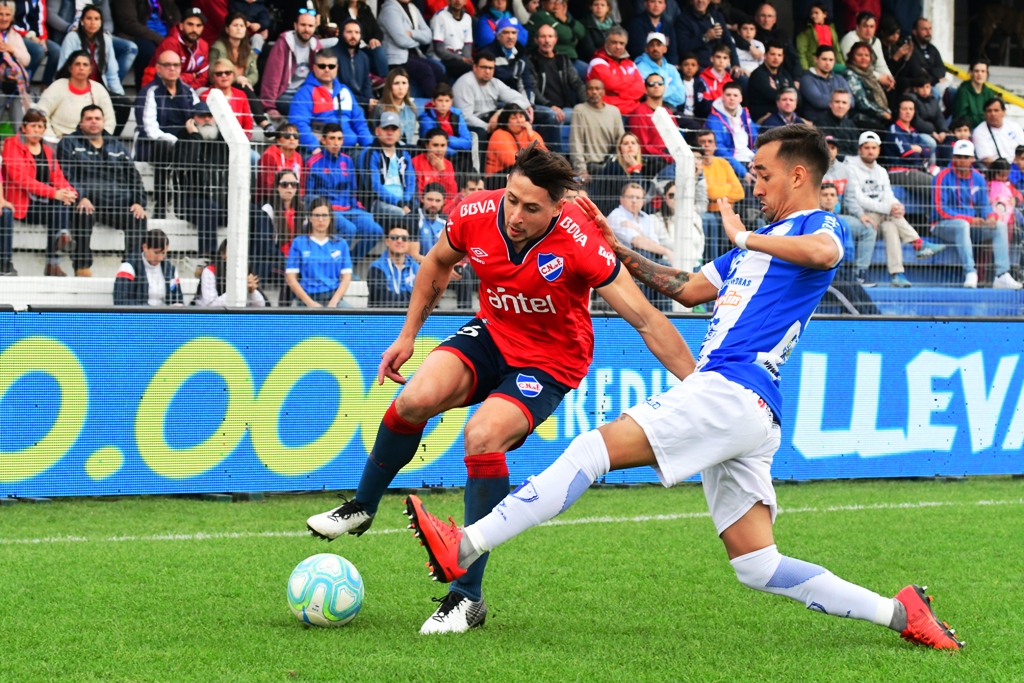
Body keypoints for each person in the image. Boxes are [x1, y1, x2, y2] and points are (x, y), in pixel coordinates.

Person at [404, 125, 965, 655]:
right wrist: (613, 244)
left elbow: (824, 255)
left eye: (763, 173)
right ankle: (902, 613)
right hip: (745, 409)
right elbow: (688, 289)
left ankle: (466, 545)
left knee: (590, 450)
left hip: (731, 388)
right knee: (757, 565)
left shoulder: (817, 227)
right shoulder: (758, 245)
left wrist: (745, 235)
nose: (754, 183)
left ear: (798, 176)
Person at [305, 141, 693, 634]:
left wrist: (701, 386)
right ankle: (362, 506)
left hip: (552, 359)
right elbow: (436, 264)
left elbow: (645, 318)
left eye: (531, 208)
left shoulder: (579, 239)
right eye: (512, 199)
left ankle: (467, 597)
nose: (514, 214)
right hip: (492, 332)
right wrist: (407, 336)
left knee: (482, 436)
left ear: (558, 207)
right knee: (414, 399)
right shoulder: (477, 211)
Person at [57, 104, 147, 278]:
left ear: (103, 122)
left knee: (139, 216)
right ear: (81, 122)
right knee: (82, 212)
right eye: (89, 118)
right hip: (88, 203)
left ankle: (130, 268)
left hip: (117, 203)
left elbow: (134, 177)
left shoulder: (117, 146)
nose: (93, 122)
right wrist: (80, 197)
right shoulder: (69, 143)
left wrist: (138, 202)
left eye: (97, 118)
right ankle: (82, 266)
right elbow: (66, 174)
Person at [845, 131, 942, 288]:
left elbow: (888, 195)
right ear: (860, 149)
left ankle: (897, 274)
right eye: (867, 147)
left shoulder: (881, 171)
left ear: (878, 150)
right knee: (891, 217)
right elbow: (858, 199)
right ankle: (917, 243)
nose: (870, 151)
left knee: (891, 226)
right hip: (861, 216)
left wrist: (897, 206)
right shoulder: (850, 167)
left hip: (882, 217)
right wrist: (888, 208)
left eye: (873, 148)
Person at [932, 139, 1023, 290]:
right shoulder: (942, 176)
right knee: (962, 225)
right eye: (959, 156)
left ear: (972, 159)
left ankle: (1002, 275)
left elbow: (984, 205)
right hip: (942, 225)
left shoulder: (978, 178)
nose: (962, 160)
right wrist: (968, 219)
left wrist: (991, 216)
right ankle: (970, 272)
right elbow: (940, 209)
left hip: (971, 225)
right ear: (953, 157)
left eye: (966, 157)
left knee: (999, 225)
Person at [1, 109, 76, 276]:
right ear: (23, 127)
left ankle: (55, 255)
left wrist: (69, 192)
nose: (37, 130)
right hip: (21, 205)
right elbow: (20, 178)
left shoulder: (48, 149)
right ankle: (57, 249)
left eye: (41, 126)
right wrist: (54, 193)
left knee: (62, 201)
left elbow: (57, 176)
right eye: (33, 126)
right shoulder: (11, 145)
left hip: (43, 203)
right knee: (58, 203)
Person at [134, 50, 198, 219]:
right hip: (152, 146)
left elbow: (197, 117)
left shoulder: (188, 91)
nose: (172, 69)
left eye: (176, 65)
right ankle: (161, 202)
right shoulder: (150, 92)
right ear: (158, 68)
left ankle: (184, 203)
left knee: (193, 145)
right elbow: (149, 129)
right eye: (167, 65)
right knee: (164, 145)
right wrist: (173, 141)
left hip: (180, 146)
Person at [306, 123, 384, 261]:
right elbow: (308, 194)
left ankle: (349, 263)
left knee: (375, 230)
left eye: (339, 139)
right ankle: (337, 265)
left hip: (349, 209)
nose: (336, 143)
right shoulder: (313, 162)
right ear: (323, 140)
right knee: (349, 229)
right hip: (329, 211)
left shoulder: (348, 161)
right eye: (332, 138)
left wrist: (360, 210)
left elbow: (353, 191)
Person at [57, 5, 130, 134]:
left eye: (96, 19)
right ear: (82, 21)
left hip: (100, 90)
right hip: (78, 88)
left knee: (124, 105)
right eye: (89, 18)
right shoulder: (72, 38)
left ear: (101, 22)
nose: (92, 22)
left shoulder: (106, 40)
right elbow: (63, 69)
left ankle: (110, 141)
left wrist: (120, 95)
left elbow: (112, 74)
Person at [172, 103, 228, 265]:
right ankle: (207, 257)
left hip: (220, 202)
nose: (207, 120)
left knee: (254, 212)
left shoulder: (223, 141)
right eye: (202, 116)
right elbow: (184, 167)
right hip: (189, 201)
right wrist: (195, 138)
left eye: (210, 116)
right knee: (209, 208)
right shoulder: (183, 139)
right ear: (192, 120)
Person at [606, 182, 674, 310]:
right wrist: (666, 251)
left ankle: (665, 312)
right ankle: (646, 309)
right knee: (645, 256)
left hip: (643, 262)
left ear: (643, 201)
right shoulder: (616, 216)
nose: (634, 201)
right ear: (622, 199)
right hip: (622, 262)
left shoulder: (646, 218)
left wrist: (638, 230)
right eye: (630, 197)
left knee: (664, 267)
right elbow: (637, 242)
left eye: (638, 198)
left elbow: (654, 243)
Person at [290, 50, 373, 153]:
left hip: (350, 151)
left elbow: (359, 122)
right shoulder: (304, 93)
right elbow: (298, 123)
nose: (327, 69)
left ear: (337, 68)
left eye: (331, 66)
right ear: (314, 67)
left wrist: (369, 147)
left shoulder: (345, 91)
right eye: (322, 66)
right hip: (321, 152)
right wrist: (314, 147)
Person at [821, 136, 873, 285]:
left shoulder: (845, 170)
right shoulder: (813, 168)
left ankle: (860, 273)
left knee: (868, 228)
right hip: (819, 217)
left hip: (840, 215)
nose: (830, 151)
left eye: (833, 148)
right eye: (827, 147)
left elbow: (850, 198)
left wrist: (861, 214)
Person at [286, 197, 354, 307]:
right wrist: (310, 303)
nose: (321, 220)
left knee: (352, 319)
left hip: (333, 298)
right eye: (317, 215)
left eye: (324, 215)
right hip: (306, 299)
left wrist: (334, 302)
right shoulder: (299, 243)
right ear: (310, 218)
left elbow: (346, 277)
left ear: (330, 217)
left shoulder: (341, 244)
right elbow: (290, 277)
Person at [529, 23, 587, 153]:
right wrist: (550, 105)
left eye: (550, 36)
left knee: (586, 114)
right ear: (536, 40)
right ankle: (557, 160)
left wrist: (588, 103)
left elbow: (576, 83)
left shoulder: (563, 59)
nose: (547, 40)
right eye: (543, 37)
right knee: (551, 115)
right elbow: (533, 89)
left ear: (555, 40)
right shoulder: (530, 60)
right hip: (541, 108)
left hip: (564, 109)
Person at [357, 111, 418, 237]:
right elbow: (374, 186)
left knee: (419, 214)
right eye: (386, 129)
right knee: (401, 214)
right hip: (378, 203)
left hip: (403, 203)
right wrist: (400, 204)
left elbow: (411, 180)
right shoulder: (369, 153)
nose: (390, 133)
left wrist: (406, 201)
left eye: (394, 129)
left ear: (399, 132)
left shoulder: (404, 153)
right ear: (377, 131)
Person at [211, 12, 271, 130]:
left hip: (243, 87)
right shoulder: (217, 48)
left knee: (244, 87)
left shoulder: (248, 50)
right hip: (222, 85)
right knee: (244, 88)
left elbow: (254, 74)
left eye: (242, 26)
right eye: (235, 25)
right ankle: (263, 122)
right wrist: (236, 78)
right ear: (227, 29)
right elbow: (212, 73)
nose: (239, 28)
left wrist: (246, 80)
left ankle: (263, 122)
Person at [36, 51, 116, 140]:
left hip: (90, 144)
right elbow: (40, 114)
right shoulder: (57, 87)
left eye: (85, 65)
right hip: (59, 143)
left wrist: (98, 141)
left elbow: (110, 121)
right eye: (77, 64)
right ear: (70, 68)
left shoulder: (99, 89)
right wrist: (52, 138)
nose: (81, 68)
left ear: (90, 70)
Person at [260, 10, 324, 118]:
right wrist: (269, 106)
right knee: (303, 108)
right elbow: (272, 77)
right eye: (303, 25)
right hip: (285, 95)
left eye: (310, 26)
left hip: (307, 95)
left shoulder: (316, 46)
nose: (306, 29)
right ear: (295, 25)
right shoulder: (283, 43)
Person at [452, 51, 531, 140]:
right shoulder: (465, 83)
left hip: (492, 118)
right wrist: (488, 126)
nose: (487, 71)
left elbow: (523, 101)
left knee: (537, 116)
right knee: (484, 132)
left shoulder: (495, 83)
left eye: (491, 68)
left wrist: (500, 113)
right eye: (484, 67)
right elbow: (465, 117)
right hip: (471, 125)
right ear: (475, 67)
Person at [251, 169, 304, 297]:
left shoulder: (302, 210)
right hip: (273, 260)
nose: (289, 188)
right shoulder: (267, 209)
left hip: (297, 259)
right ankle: (284, 311)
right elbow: (266, 246)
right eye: (285, 184)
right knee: (291, 275)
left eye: (294, 184)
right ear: (277, 187)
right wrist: (288, 261)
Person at [380, 0, 445, 98]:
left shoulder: (413, 8)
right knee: (426, 70)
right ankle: (433, 106)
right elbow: (402, 40)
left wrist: (412, 33)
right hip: (397, 59)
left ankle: (439, 102)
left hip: (414, 55)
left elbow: (428, 35)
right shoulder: (389, 10)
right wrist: (418, 41)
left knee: (438, 69)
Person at [695, 128, 744, 258]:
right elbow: (708, 193)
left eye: (710, 141)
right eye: (702, 142)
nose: (706, 145)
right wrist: (726, 188)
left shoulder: (723, 163)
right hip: (707, 212)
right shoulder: (696, 164)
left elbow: (739, 192)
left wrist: (714, 192)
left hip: (726, 212)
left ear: (715, 145)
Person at [111, 0, 180, 86]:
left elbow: (174, 14)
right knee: (148, 51)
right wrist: (160, 39)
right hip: (137, 35)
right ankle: (143, 91)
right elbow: (129, 24)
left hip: (165, 35)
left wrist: (175, 34)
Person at [140, 8, 210, 88]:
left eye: (198, 25)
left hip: (189, 89)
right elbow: (169, 78)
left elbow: (203, 78)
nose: (194, 29)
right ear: (181, 26)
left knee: (211, 94)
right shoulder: (170, 44)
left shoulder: (203, 45)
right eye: (190, 24)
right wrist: (191, 76)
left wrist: (188, 88)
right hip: (159, 89)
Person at [569, 78, 624, 179]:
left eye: (597, 88)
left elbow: (621, 141)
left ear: (603, 92)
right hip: (590, 166)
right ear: (586, 92)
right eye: (590, 89)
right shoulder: (579, 110)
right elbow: (576, 142)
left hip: (610, 165)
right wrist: (581, 170)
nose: (594, 91)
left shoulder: (614, 111)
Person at [113, 229, 182, 305]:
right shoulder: (127, 268)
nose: (161, 257)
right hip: (140, 316)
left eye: (164, 253)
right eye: (157, 252)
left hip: (164, 316)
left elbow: (178, 299)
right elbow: (120, 301)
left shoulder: (171, 270)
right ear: (145, 247)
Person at [586, 27, 644, 115]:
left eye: (622, 43)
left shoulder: (630, 63)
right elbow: (611, 84)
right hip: (608, 111)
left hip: (632, 111)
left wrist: (619, 93)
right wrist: (630, 81)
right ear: (606, 43)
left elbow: (640, 89)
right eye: (614, 42)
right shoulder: (597, 61)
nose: (618, 47)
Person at [706, 82, 756, 182]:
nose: (732, 98)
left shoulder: (745, 115)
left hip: (750, 160)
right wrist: (742, 171)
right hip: (731, 163)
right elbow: (719, 149)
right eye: (728, 95)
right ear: (722, 97)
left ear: (740, 98)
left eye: (735, 95)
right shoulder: (714, 119)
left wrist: (757, 161)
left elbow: (757, 141)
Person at [418, 82, 474, 172]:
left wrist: (446, 140)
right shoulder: (426, 118)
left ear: (451, 102)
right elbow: (431, 144)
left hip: (458, 157)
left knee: (470, 171)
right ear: (433, 101)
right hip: (437, 157)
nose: (444, 104)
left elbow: (467, 142)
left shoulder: (457, 115)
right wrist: (454, 148)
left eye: (447, 101)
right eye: (440, 100)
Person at [626, 72, 675, 174]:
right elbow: (642, 146)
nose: (656, 86)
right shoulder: (639, 112)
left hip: (668, 157)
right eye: (651, 84)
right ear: (645, 89)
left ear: (664, 87)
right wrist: (666, 156)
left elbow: (674, 140)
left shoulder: (668, 112)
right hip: (652, 161)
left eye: (660, 83)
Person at [195, 239, 266, 307]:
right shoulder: (210, 271)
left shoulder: (245, 270)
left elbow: (261, 306)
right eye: (232, 251)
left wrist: (252, 292)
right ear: (222, 254)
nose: (237, 255)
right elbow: (211, 304)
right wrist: (237, 288)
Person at [526, 0, 586, 78]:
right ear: (543, 3)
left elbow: (582, 33)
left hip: (568, 59)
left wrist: (565, 18)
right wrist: (573, 38)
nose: (556, 4)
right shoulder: (540, 15)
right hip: (547, 61)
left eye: (559, 1)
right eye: (552, 1)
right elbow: (566, 36)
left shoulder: (560, 15)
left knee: (591, 71)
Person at [592, 131, 648, 214]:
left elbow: (642, 193)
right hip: (609, 212)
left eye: (633, 143)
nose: (630, 146)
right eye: (626, 143)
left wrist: (635, 169)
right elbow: (630, 192)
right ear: (620, 149)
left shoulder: (642, 167)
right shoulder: (613, 167)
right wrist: (635, 170)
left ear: (638, 148)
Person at [330, 0, 389, 78]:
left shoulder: (365, 9)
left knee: (379, 50)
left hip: (365, 47)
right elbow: (338, 32)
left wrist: (375, 39)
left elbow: (377, 31)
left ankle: (385, 82)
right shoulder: (337, 9)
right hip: (349, 47)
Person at [674, 0, 738, 71]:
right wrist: (705, 38)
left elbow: (728, 42)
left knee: (741, 77)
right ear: (691, 1)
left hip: (719, 63)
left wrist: (735, 64)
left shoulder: (717, 16)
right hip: (698, 66)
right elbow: (683, 47)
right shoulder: (683, 19)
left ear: (709, 1)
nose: (700, 1)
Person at [485, 103, 545, 177]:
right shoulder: (499, 134)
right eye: (514, 118)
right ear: (506, 121)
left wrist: (531, 135)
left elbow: (544, 155)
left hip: (522, 172)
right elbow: (512, 162)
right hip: (497, 178)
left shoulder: (529, 132)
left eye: (521, 116)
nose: (519, 121)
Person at [201, 58, 255, 139]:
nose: (224, 76)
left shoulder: (241, 95)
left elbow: (248, 123)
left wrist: (242, 140)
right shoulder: (205, 96)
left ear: (233, 75)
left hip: (239, 142)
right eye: (219, 73)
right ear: (213, 77)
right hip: (214, 144)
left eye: (228, 73)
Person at [838, 11, 892, 91]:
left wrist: (889, 77)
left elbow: (881, 64)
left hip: (871, 76)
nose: (868, 30)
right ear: (857, 27)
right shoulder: (850, 39)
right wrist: (879, 77)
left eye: (871, 27)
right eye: (865, 26)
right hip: (854, 76)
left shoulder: (876, 41)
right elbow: (854, 66)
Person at [368, 225, 420, 308]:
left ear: (409, 243)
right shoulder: (376, 267)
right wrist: (410, 297)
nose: (400, 241)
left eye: (404, 238)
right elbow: (381, 299)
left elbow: (426, 297)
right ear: (387, 241)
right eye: (395, 237)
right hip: (384, 317)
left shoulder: (417, 268)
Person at [844, 41, 890, 130]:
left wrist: (888, 113)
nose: (863, 58)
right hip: (861, 119)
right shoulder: (850, 75)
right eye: (859, 55)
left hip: (877, 117)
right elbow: (861, 102)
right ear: (852, 58)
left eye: (866, 55)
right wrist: (882, 114)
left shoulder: (870, 75)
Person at [798, 46, 849, 124]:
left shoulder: (839, 79)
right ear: (816, 59)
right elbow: (819, 101)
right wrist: (841, 101)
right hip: (816, 123)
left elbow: (851, 101)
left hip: (840, 122)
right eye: (824, 59)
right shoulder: (807, 79)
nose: (827, 63)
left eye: (831, 60)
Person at [12, 0, 59, 84]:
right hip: (17, 34)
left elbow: (40, 21)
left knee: (56, 50)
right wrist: (29, 35)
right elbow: (11, 23)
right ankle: (23, 83)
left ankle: (46, 85)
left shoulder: (39, 1)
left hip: (35, 35)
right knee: (39, 51)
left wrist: (43, 38)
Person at [746, 41, 794, 123]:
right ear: (765, 56)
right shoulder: (758, 74)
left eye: (779, 55)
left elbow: (798, 98)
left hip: (782, 115)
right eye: (772, 54)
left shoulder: (785, 74)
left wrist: (778, 91)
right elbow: (773, 97)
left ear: (783, 58)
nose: (776, 58)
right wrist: (785, 94)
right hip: (763, 117)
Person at [636, 31, 685, 109]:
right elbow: (647, 95)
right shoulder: (639, 68)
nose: (655, 48)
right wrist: (673, 88)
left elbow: (681, 97)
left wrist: (659, 93)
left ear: (665, 49)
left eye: (659, 45)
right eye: (652, 45)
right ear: (646, 49)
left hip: (671, 109)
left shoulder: (671, 69)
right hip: (650, 109)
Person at [371, 68, 419, 148]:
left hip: (407, 152)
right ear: (390, 86)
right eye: (396, 83)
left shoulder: (412, 108)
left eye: (404, 83)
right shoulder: (381, 108)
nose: (401, 87)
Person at [752, 2, 801, 79]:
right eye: (763, 16)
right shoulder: (750, 33)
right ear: (756, 18)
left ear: (775, 19)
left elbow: (793, 58)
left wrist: (797, 79)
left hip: (784, 74)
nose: (766, 19)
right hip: (759, 74)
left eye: (769, 16)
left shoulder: (782, 34)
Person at [907, 77, 948, 165]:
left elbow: (939, 117)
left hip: (934, 132)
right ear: (915, 89)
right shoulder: (912, 100)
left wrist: (943, 131)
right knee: (931, 143)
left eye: (927, 87)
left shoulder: (933, 100)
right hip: (917, 132)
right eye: (922, 87)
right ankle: (930, 167)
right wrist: (932, 132)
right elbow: (916, 121)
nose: (925, 90)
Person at [257, 123, 303, 200]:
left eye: (296, 136)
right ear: (278, 140)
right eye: (287, 136)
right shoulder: (269, 156)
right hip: (269, 200)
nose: (292, 138)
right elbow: (267, 187)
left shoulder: (298, 157)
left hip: (293, 200)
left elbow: (301, 184)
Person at [973, 98, 1024, 167]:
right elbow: (987, 159)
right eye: (989, 111)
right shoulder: (979, 132)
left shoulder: (1014, 126)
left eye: (996, 110)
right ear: (984, 114)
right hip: (999, 171)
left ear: (1004, 112)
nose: (993, 114)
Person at [411, 128, 458, 204]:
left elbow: (452, 194)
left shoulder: (448, 164)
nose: (439, 150)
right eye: (435, 145)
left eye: (443, 145)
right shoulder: (416, 162)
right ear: (427, 145)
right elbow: (420, 193)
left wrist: (442, 170)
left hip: (444, 205)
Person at [336, 18, 375, 108]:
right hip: (342, 103)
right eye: (349, 32)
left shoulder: (363, 57)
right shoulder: (332, 55)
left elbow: (366, 85)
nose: (353, 36)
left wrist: (370, 100)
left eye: (357, 32)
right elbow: (336, 89)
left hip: (362, 102)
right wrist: (365, 101)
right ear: (341, 33)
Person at [795, 2, 842, 73]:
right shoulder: (806, 31)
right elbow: (801, 53)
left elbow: (837, 50)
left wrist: (842, 65)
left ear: (824, 14)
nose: (813, 16)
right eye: (812, 13)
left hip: (831, 63)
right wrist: (806, 70)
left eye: (816, 13)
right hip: (814, 65)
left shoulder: (831, 29)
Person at [431, 0, 473, 80]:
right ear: (448, 1)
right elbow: (439, 50)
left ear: (465, 2)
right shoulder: (440, 16)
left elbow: (468, 45)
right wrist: (461, 59)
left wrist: (466, 59)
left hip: (460, 58)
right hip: (443, 58)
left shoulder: (467, 18)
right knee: (470, 69)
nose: (458, 1)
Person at [627, 0, 677, 66]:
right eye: (652, 1)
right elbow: (638, 51)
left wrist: (670, 67)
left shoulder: (668, 25)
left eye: (660, 2)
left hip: (665, 67)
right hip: (643, 66)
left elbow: (672, 52)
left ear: (664, 6)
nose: (656, 5)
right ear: (645, 4)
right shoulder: (636, 24)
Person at [904, 17, 946, 92]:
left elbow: (942, 70)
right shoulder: (911, 48)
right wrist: (936, 80)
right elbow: (917, 73)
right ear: (915, 32)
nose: (928, 32)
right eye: (924, 29)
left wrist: (928, 70)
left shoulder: (932, 49)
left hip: (935, 83)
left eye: (930, 29)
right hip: (919, 87)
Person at [952, 61, 996, 131]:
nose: (980, 74)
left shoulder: (989, 92)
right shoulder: (963, 91)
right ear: (971, 73)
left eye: (983, 71)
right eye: (976, 71)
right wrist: (983, 119)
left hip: (987, 128)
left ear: (987, 74)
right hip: (968, 129)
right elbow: (960, 117)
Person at [816, 89, 857, 159]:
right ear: (830, 104)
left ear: (849, 106)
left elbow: (856, 149)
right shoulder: (821, 122)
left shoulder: (851, 125)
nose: (840, 105)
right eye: (837, 102)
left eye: (844, 102)